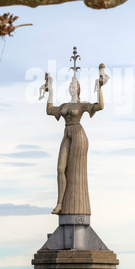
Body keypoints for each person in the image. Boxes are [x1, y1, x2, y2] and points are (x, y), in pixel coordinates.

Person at [45, 72, 105, 215]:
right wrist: (51, 91)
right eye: (70, 86)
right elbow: (49, 111)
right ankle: (60, 203)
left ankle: (73, 206)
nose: (72, 88)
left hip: (78, 135)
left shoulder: (82, 104)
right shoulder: (65, 105)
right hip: (67, 133)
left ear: (78, 89)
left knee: (75, 171)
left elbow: (100, 106)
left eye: (74, 86)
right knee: (60, 169)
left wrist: (100, 88)